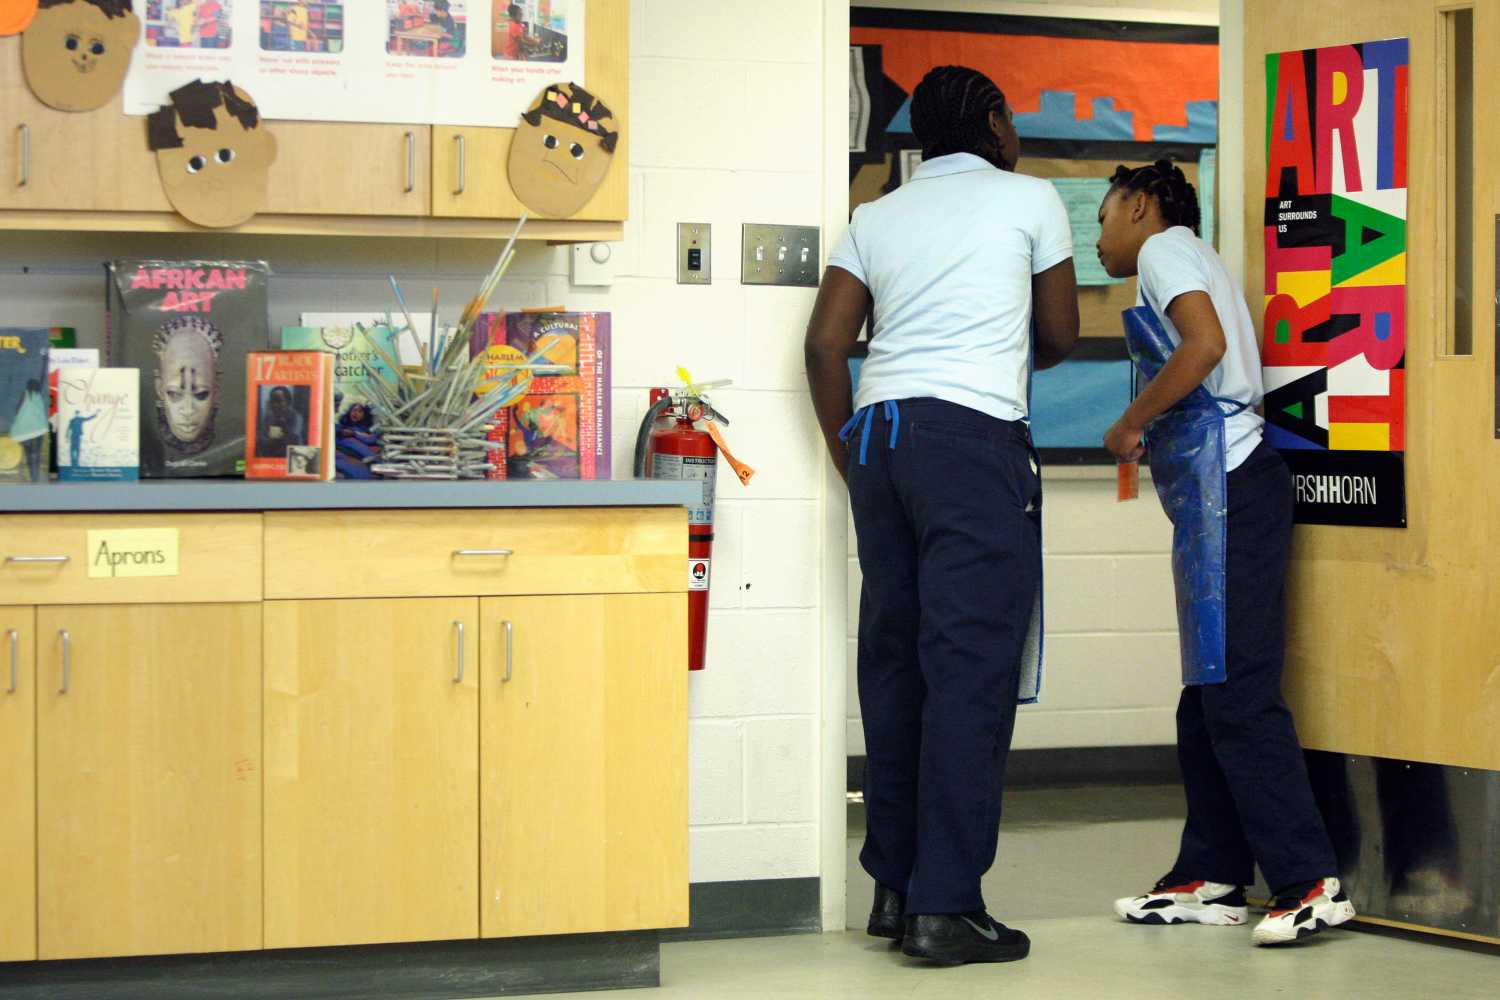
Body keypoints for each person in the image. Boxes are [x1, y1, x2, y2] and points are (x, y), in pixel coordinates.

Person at [804, 64, 1079, 966]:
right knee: (967, 672)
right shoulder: (1030, 199)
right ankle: (947, 907)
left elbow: (827, 341)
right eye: (1011, 115)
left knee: (896, 665)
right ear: (994, 121)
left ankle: (895, 885)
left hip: (881, 436)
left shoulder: (877, 215)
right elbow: (1063, 335)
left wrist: (850, 457)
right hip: (972, 442)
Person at [1095, 160, 1355, 947]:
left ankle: (1310, 882)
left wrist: (1131, 421)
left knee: (1238, 691)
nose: (1097, 235)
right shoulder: (1189, 255)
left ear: (1140, 206)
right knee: (1206, 689)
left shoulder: (1164, 251)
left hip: (1236, 487)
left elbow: (1201, 346)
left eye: (1103, 215)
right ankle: (1208, 874)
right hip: (1224, 489)